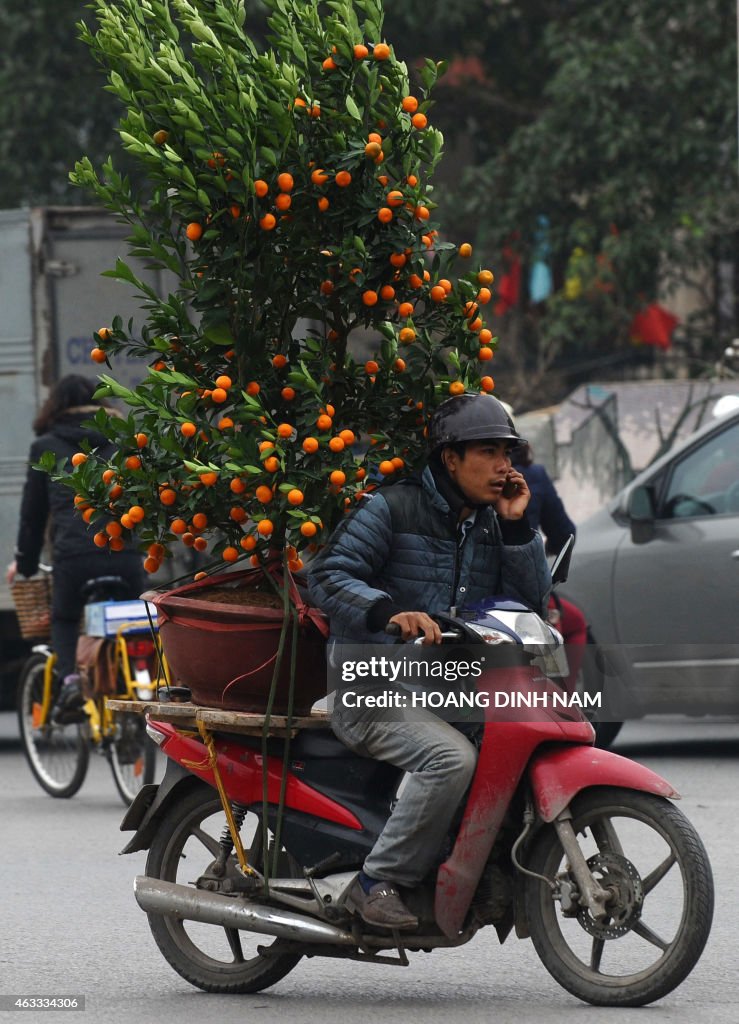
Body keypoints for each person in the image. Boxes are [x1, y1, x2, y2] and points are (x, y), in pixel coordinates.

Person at [308, 394, 550, 930]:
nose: (504, 466)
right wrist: (391, 613)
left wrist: (516, 528)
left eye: (508, 453)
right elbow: (326, 576)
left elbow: (532, 604)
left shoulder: (490, 522)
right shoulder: (391, 507)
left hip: (443, 684)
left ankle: (482, 869)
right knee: (451, 760)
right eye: (488, 452)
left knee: (522, 735)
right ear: (450, 458)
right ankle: (376, 882)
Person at [6, 375, 144, 713]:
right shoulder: (124, 441)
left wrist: (23, 564)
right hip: (125, 553)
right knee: (136, 623)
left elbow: (32, 516)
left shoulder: (46, 446)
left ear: (56, 406)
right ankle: (143, 678)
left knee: (65, 618)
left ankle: (69, 683)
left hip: (75, 558)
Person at [511, 441, 587, 690]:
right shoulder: (532, 475)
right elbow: (564, 533)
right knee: (571, 623)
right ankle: (564, 695)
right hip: (528, 595)